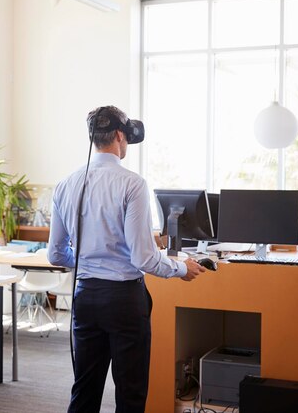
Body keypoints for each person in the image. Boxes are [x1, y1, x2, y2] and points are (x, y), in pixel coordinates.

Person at [47, 105, 205, 413]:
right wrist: (181, 268)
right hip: (123, 300)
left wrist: (85, 260)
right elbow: (144, 258)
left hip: (86, 297)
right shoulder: (132, 183)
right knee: (130, 393)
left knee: (85, 389)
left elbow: (56, 254)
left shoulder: (65, 185)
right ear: (120, 136)